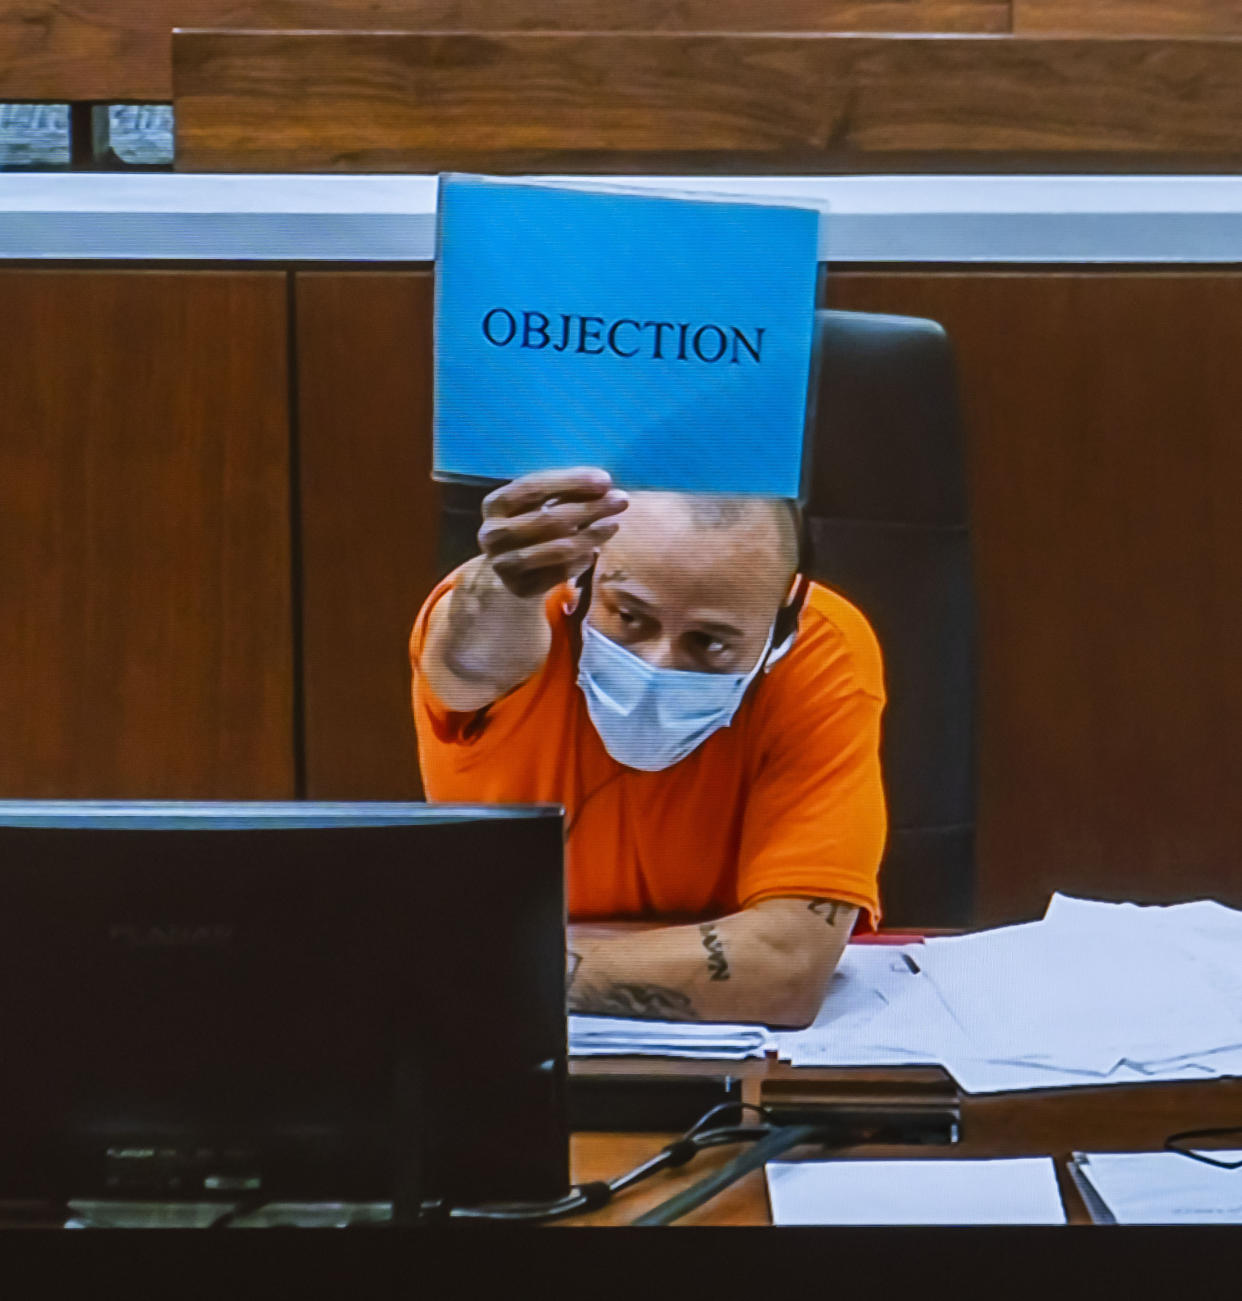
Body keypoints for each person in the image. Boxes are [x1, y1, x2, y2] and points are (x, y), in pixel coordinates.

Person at [410, 467, 886, 1028]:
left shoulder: (819, 649)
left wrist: (502, 964)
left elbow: (785, 970)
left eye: (709, 643)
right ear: (583, 581)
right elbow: (468, 657)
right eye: (629, 617)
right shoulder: (517, 612)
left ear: (780, 632)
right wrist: (499, 582)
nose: (657, 665)